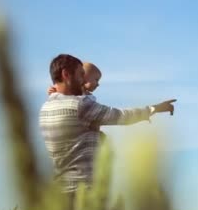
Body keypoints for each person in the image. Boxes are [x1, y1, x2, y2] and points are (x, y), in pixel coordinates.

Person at [39, 54, 176, 195]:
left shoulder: (45, 108)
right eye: (81, 75)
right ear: (66, 74)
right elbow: (122, 116)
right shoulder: (80, 105)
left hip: (59, 191)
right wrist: (155, 108)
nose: (82, 81)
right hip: (82, 190)